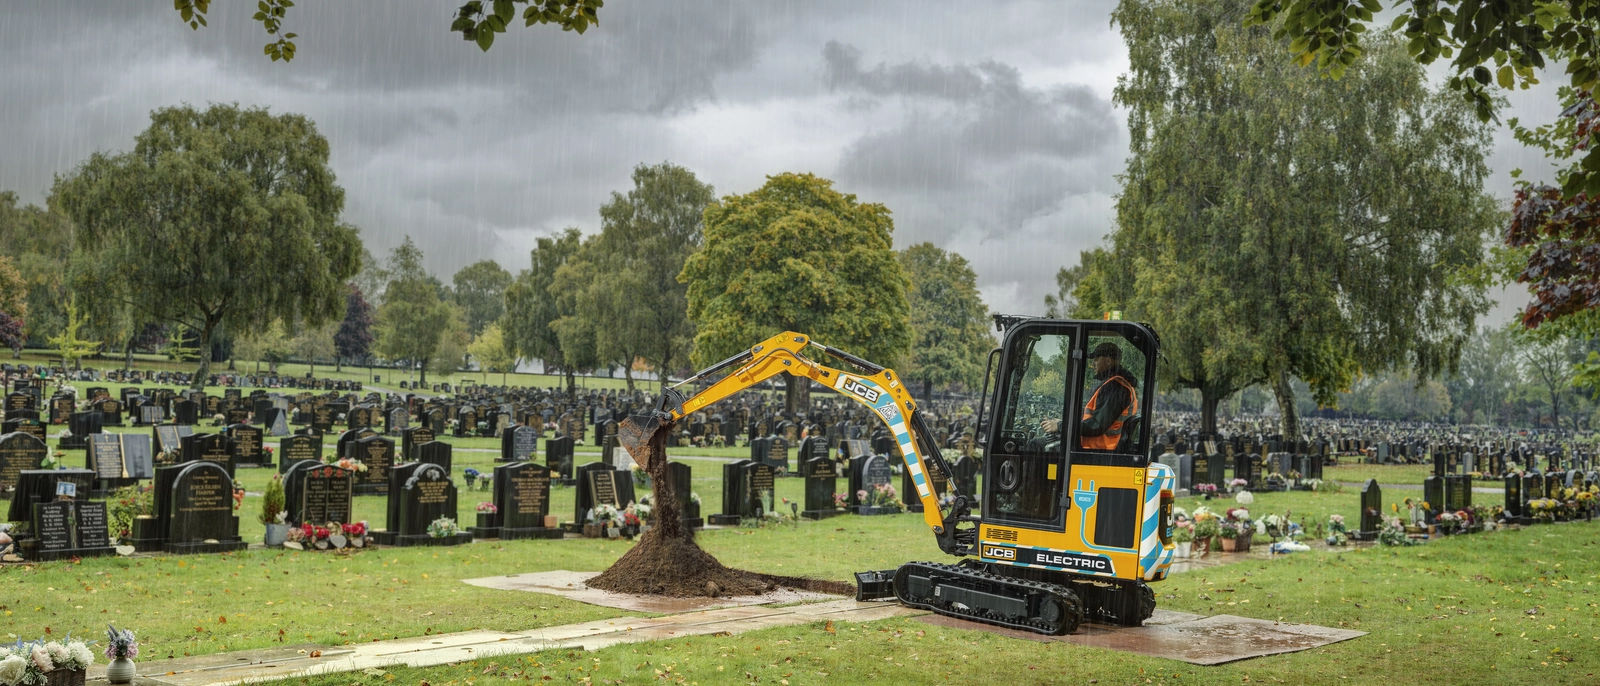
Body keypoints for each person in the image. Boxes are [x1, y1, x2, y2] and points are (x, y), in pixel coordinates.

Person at [1080, 341, 1138, 451]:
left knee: (1039, 446)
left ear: (1107, 361)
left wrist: (1061, 426)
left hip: (1099, 448)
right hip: (1100, 448)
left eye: (1096, 359)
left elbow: (1097, 426)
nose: (1092, 364)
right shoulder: (1117, 384)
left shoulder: (1115, 387)